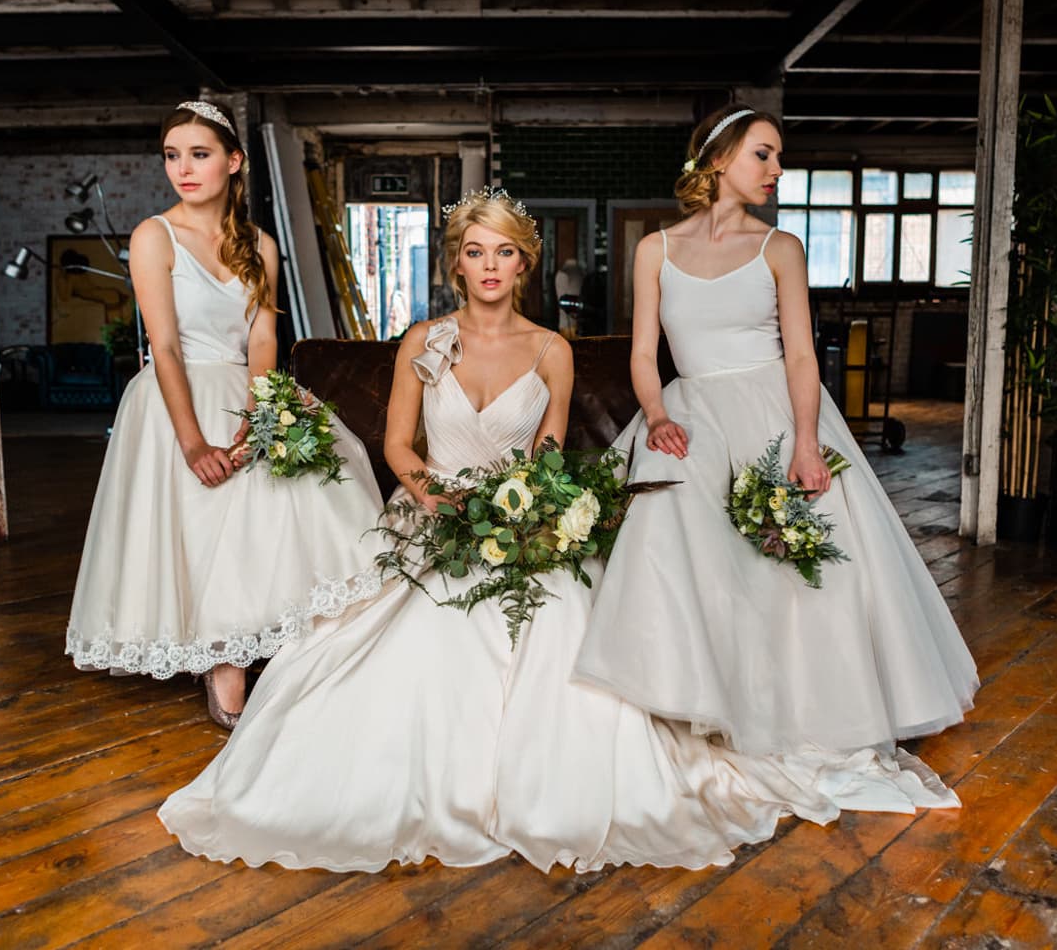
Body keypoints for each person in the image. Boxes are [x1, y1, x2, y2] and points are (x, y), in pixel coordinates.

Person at [157, 187, 958, 875]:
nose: (491, 266)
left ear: (524, 265)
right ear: (456, 263)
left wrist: (518, 506)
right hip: (429, 515)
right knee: (390, 648)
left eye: (505, 252)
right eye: (475, 252)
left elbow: (543, 455)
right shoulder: (421, 342)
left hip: (518, 519)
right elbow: (399, 445)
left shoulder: (552, 350)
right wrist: (434, 495)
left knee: (565, 647)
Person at [575, 105, 980, 766]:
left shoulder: (779, 248)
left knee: (797, 564)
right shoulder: (656, 250)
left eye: (778, 156)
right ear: (715, 159)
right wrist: (655, 416)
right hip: (690, 410)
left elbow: (799, 356)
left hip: (774, 410)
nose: (777, 169)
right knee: (671, 517)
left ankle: (807, 705)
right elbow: (644, 356)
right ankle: (694, 689)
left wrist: (805, 441)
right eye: (762, 154)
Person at [65, 100, 384, 729]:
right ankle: (222, 661)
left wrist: (262, 415)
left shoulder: (258, 244)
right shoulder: (153, 235)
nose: (183, 168)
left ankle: (292, 641)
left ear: (233, 162)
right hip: (173, 396)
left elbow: (263, 342)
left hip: (248, 388)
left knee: (303, 491)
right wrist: (192, 443)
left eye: (200, 154)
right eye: (172, 155)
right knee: (212, 510)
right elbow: (164, 347)